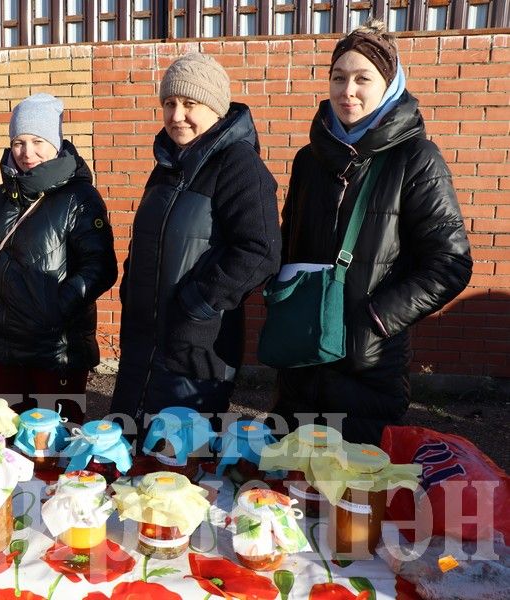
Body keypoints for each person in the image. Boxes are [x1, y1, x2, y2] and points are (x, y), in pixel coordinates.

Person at [270, 20, 472, 445]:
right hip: (301, 358)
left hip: (367, 364)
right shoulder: (310, 159)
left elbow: (450, 262)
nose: (348, 91)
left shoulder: (416, 158)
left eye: (364, 79)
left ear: (389, 84)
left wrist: (377, 318)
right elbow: (291, 243)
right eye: (339, 77)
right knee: (288, 490)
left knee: (359, 496)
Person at [109, 53, 281, 430]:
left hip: (195, 347)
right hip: (142, 342)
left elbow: (260, 251)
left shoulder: (239, 165)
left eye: (190, 104)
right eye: (169, 103)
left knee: (181, 466)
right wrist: (131, 291)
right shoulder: (168, 165)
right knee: (126, 457)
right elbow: (148, 243)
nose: (176, 115)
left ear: (216, 109)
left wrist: (198, 303)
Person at [0, 93, 117, 425]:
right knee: (8, 433)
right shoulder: (0, 197)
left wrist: (55, 308)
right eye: (18, 142)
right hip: (5, 343)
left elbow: (101, 267)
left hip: (56, 349)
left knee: (58, 443)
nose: (26, 152)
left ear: (56, 142)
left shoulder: (80, 197)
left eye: (37, 141)